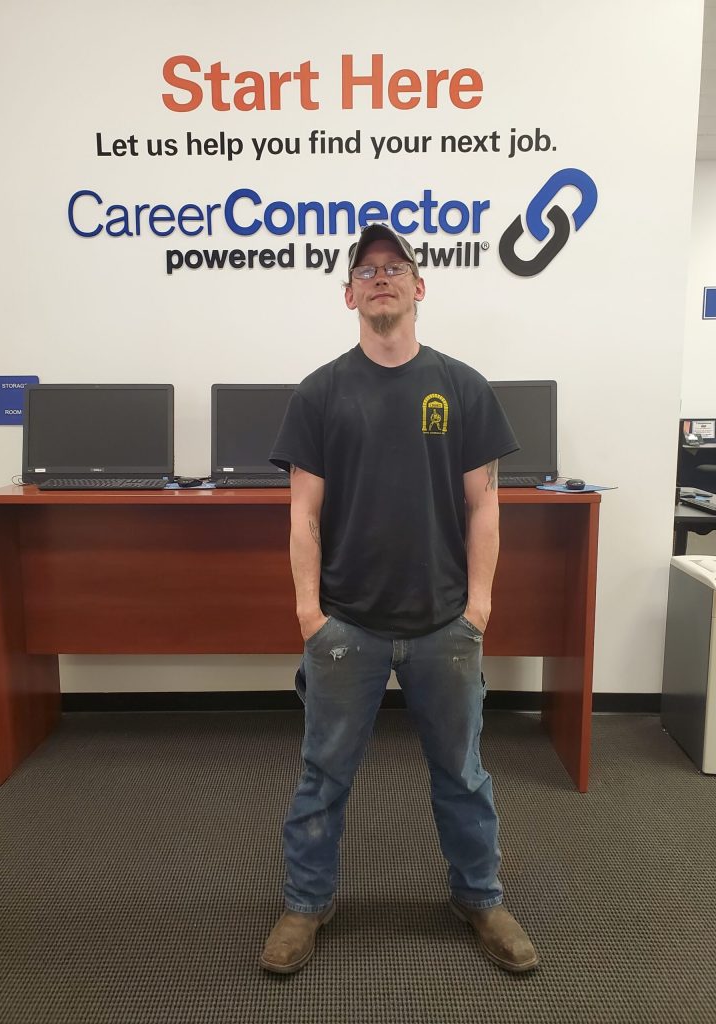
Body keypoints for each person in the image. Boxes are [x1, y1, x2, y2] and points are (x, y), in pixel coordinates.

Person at [260, 223, 539, 975]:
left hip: (446, 623)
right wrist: (309, 618)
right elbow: (302, 515)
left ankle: (479, 897)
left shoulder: (462, 387)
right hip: (346, 625)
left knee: (465, 773)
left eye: (396, 267)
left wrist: (478, 608)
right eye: (367, 270)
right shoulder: (319, 393)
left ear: (420, 287)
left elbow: (485, 506)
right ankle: (304, 904)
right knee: (324, 775)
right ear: (348, 294)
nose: (381, 278)